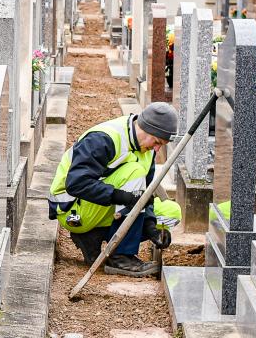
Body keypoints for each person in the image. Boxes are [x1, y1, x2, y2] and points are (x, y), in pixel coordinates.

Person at [48, 102, 181, 276]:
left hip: (96, 208)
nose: (157, 149)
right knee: (134, 173)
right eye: (156, 142)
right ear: (144, 128)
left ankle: (92, 236)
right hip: (72, 208)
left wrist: (151, 228)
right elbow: (76, 183)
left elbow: (144, 195)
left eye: (161, 145)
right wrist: (123, 197)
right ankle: (121, 257)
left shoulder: (148, 151)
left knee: (170, 213)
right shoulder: (105, 138)